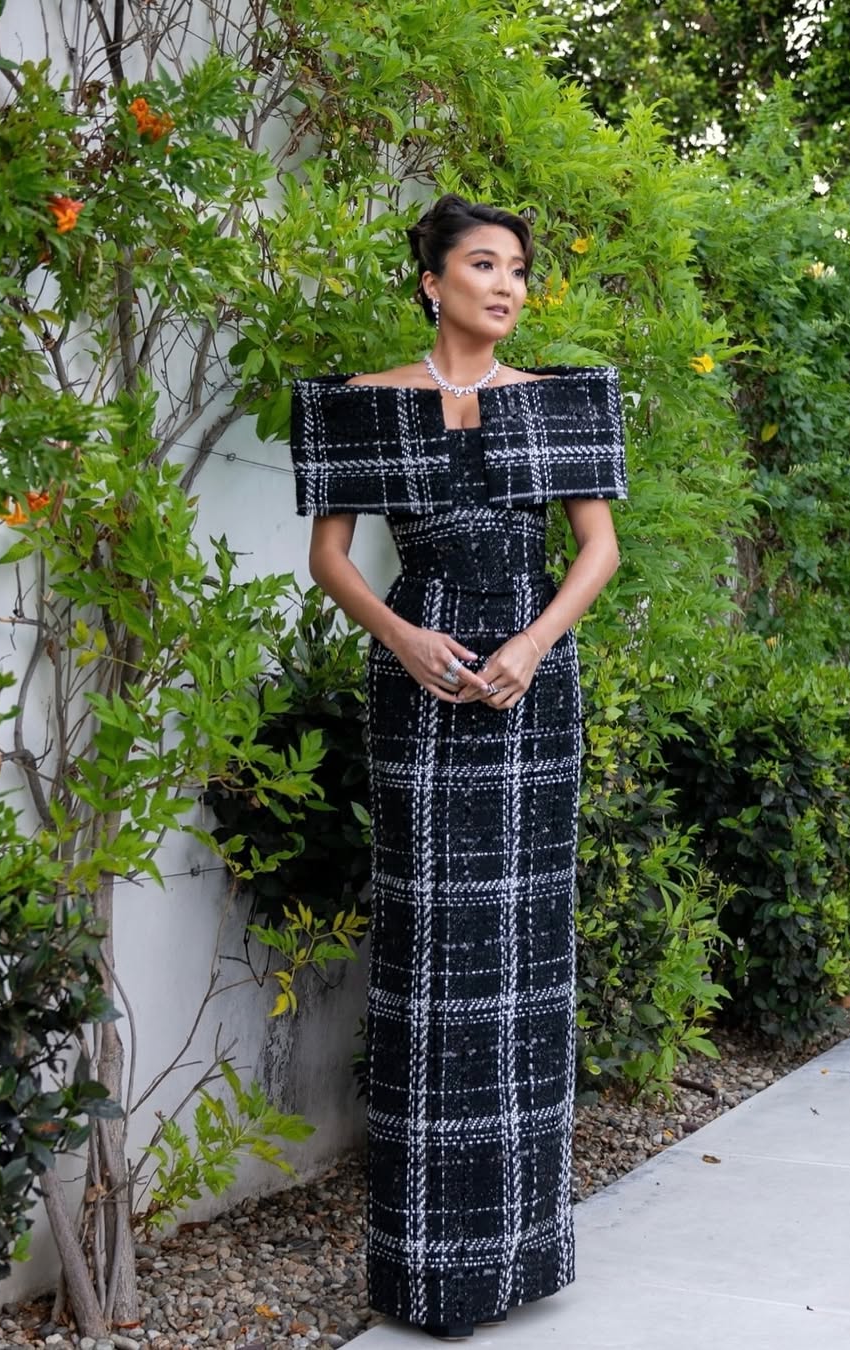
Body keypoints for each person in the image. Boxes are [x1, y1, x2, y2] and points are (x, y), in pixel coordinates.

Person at [288, 193, 626, 1340]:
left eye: (518, 269)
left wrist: (533, 644)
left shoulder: (564, 401)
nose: (508, 285)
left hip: (532, 692)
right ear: (432, 281)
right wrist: (401, 637)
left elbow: (598, 549)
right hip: (420, 686)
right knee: (430, 959)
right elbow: (332, 556)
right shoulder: (361, 405)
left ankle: (522, 1256)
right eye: (485, 264)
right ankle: (429, 1272)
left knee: (525, 956)